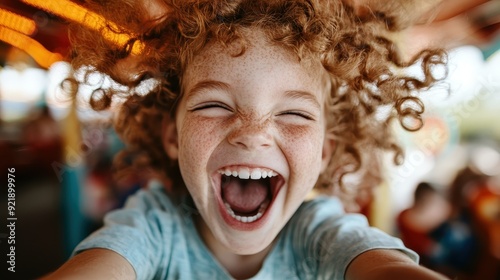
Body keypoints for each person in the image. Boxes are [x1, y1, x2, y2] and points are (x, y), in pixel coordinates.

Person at [42, 0, 450, 279]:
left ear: (324, 153)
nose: (253, 134)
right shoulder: (154, 226)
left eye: (294, 113)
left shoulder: (323, 236)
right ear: (173, 136)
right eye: (213, 105)